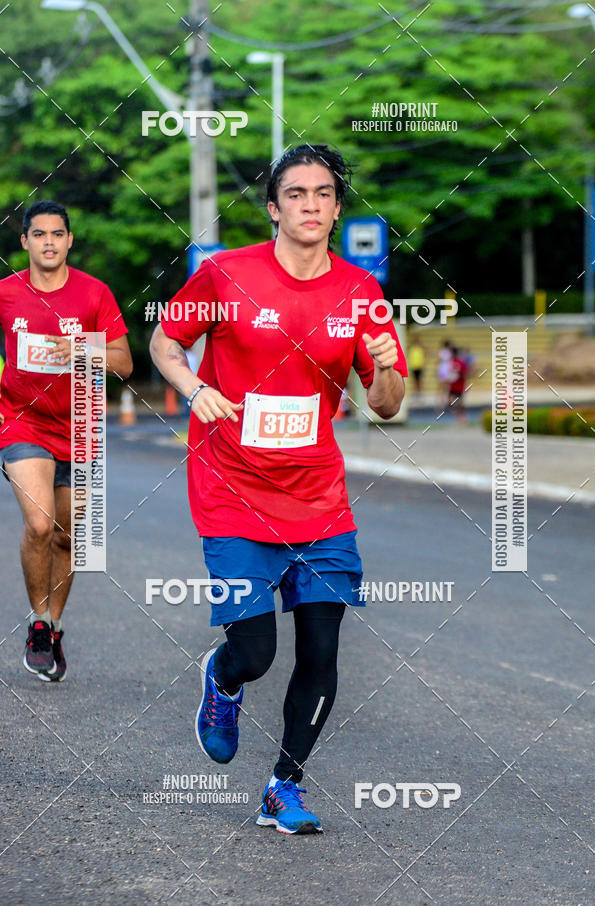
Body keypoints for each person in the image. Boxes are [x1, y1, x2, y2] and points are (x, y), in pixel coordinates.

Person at [150, 144, 407, 835]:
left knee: (321, 650)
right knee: (258, 654)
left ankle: (282, 787)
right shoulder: (227, 274)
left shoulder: (361, 293)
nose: (312, 205)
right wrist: (194, 387)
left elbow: (385, 403)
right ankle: (224, 676)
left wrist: (385, 369)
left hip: (319, 497)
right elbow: (164, 342)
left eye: (324, 194)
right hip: (231, 488)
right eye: (296, 193)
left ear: (337, 207)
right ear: (273, 207)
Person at [0, 200, 133, 681]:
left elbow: (125, 363)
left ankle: (54, 627)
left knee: (68, 537)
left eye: (58, 233)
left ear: (70, 240)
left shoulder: (94, 294)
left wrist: (84, 349)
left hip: (81, 427)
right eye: (39, 234)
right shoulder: (6, 293)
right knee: (39, 524)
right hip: (22, 424)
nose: (49, 242)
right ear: (25, 242)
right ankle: (37, 623)